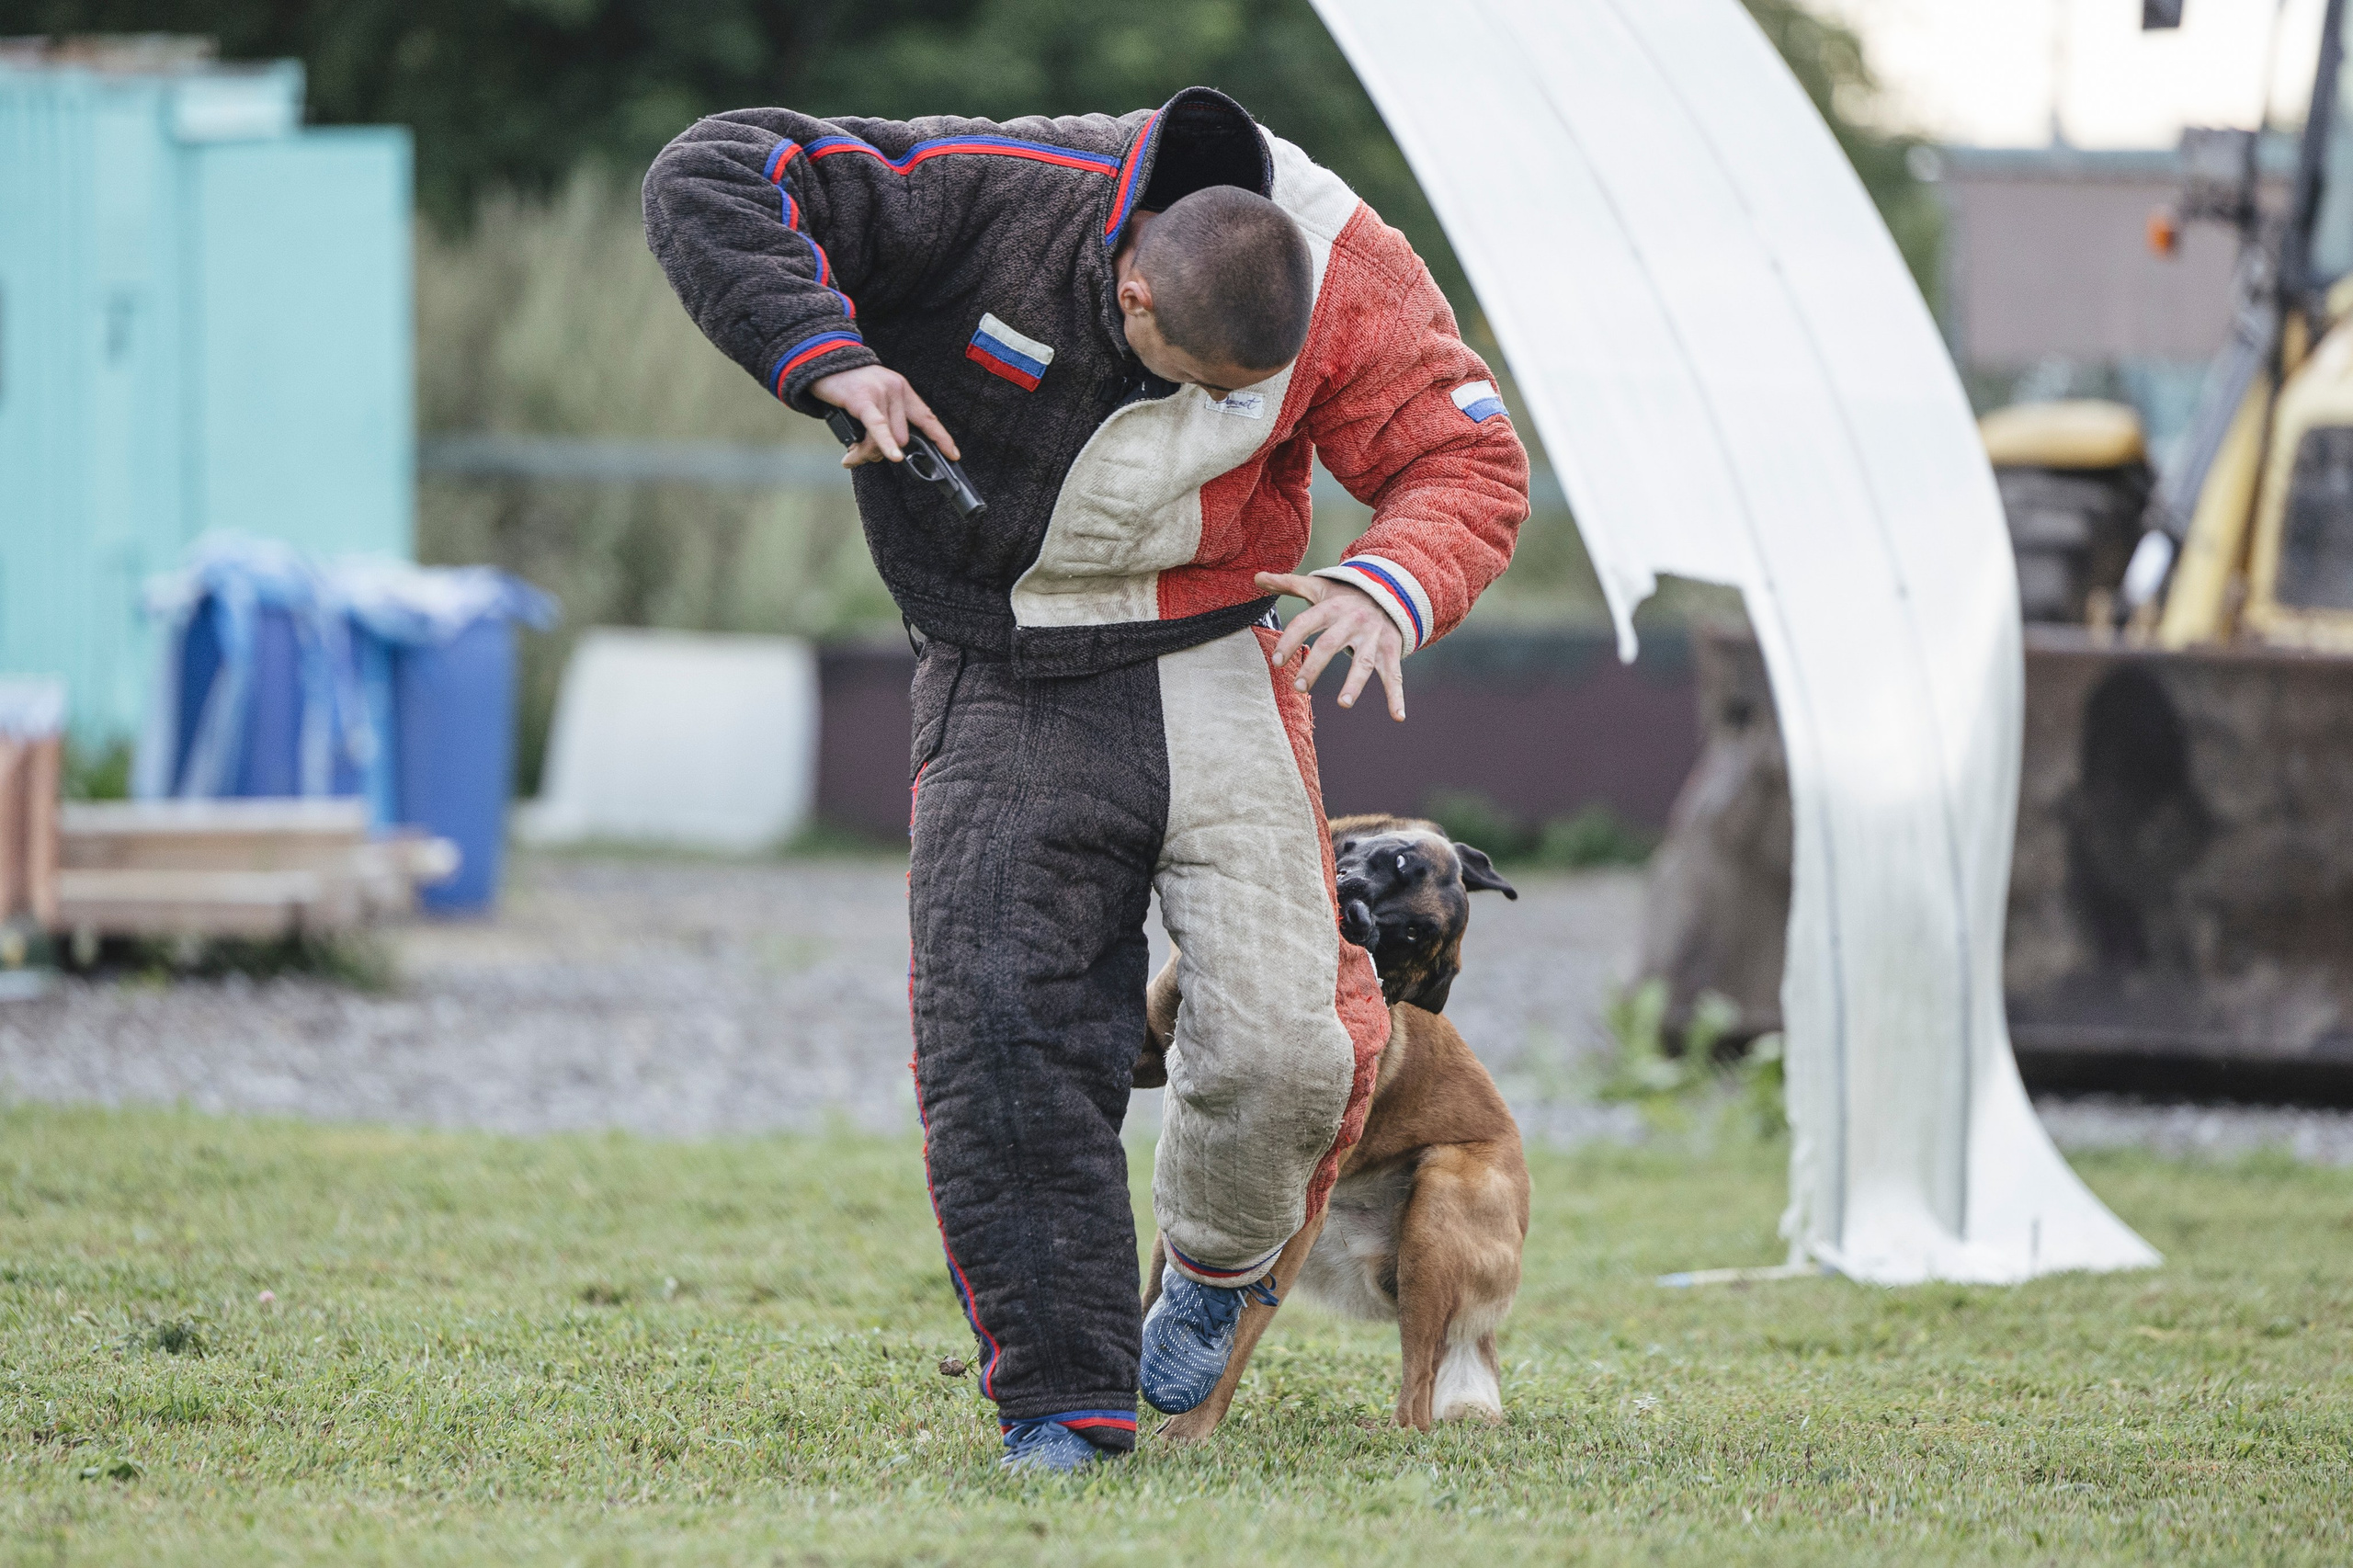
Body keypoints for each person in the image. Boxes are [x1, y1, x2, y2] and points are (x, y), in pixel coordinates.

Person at [645, 85, 1527, 1471]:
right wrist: (826, 356)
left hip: (1218, 648)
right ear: (1130, 288)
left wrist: (1389, 578)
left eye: (1248, 395)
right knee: (1007, 1029)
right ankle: (1063, 1398)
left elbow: (1466, 453)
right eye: (1204, 380)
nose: (1224, 411)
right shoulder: (995, 190)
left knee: (1298, 1043)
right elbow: (715, 170)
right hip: (1010, 656)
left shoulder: (1350, 267)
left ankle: (1216, 1270)